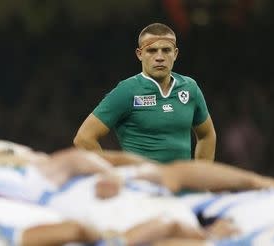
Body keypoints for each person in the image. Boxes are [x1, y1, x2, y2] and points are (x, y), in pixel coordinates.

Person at [74, 22, 216, 163]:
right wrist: (113, 174)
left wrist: (202, 179)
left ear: (175, 54)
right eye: (152, 50)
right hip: (144, 184)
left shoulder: (190, 87)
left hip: (183, 184)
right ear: (140, 54)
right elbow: (84, 138)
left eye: (166, 50)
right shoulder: (127, 91)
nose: (159, 57)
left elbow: (207, 135)